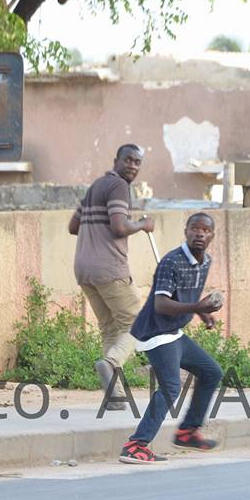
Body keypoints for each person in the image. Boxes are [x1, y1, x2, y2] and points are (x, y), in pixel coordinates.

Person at [118, 213, 223, 464]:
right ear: (185, 232)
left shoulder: (205, 262)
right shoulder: (171, 262)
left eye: (205, 230)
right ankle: (136, 445)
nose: (200, 234)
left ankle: (187, 432)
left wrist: (201, 312)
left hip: (174, 333)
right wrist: (198, 305)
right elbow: (162, 305)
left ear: (212, 236)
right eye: (194, 229)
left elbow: (186, 297)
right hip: (155, 332)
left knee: (212, 372)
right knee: (171, 386)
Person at [69, 144, 154, 411]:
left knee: (111, 328)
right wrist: (142, 224)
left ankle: (115, 395)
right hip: (109, 269)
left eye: (137, 162)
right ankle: (112, 362)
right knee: (138, 322)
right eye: (128, 160)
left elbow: (73, 226)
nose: (133, 166)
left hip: (84, 269)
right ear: (116, 160)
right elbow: (119, 227)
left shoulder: (96, 186)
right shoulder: (118, 187)